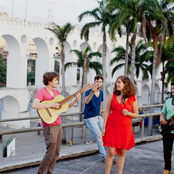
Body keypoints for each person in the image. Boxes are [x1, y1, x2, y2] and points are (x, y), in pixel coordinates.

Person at [32, 72, 80, 174]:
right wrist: (52, 104)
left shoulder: (57, 93)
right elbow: (35, 105)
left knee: (57, 153)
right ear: (49, 81)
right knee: (50, 154)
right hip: (49, 126)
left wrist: (75, 101)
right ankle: (40, 173)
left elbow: (63, 107)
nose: (57, 81)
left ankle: (50, 172)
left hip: (58, 124)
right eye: (56, 80)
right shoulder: (42, 92)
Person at [102, 76, 138, 174]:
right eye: (117, 82)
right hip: (112, 127)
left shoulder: (132, 98)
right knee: (110, 152)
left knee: (122, 153)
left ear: (126, 85)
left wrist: (128, 113)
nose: (117, 84)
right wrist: (104, 127)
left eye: (119, 82)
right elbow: (106, 112)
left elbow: (136, 114)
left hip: (125, 129)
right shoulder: (112, 95)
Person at [84, 75, 116, 164]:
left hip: (98, 116)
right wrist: (92, 93)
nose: (98, 83)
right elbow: (86, 101)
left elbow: (101, 104)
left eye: (100, 81)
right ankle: (104, 157)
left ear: (102, 83)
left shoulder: (101, 92)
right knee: (99, 136)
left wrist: (100, 114)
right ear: (94, 82)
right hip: (90, 117)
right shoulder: (89, 91)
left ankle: (109, 155)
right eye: (97, 81)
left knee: (106, 134)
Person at [160, 81, 174, 174]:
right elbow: (163, 112)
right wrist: (162, 119)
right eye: (172, 88)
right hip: (168, 130)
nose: (172, 90)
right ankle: (167, 168)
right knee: (166, 150)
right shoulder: (168, 101)